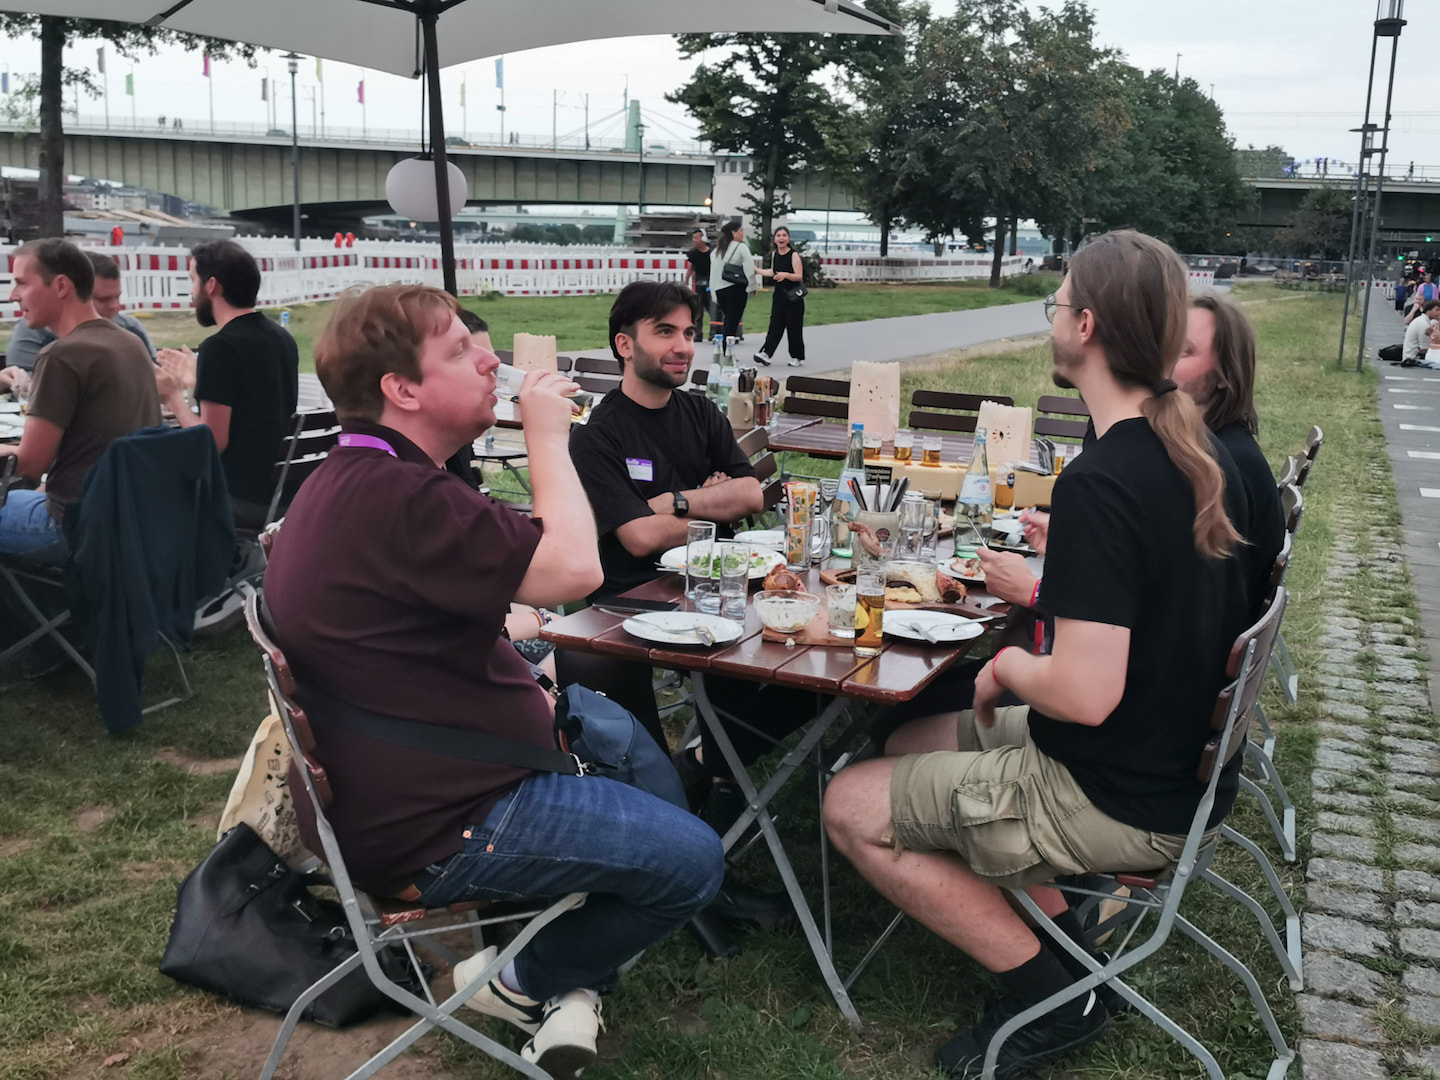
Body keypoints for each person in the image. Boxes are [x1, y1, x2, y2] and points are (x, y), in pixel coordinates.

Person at [822, 230, 1252, 1080]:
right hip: (1169, 764)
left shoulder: (1107, 478)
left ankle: (1054, 996)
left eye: (1055, 304)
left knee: (846, 803)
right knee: (907, 741)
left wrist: (1004, 669)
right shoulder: (1192, 455)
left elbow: (1084, 693)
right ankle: (1069, 950)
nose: (1051, 318)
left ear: (1085, 326)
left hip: (1116, 789)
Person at [263, 284, 723, 1076]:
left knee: (611, 737)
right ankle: (519, 982)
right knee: (694, 861)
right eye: (458, 351)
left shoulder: (358, 479)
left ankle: (568, 985)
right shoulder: (404, 496)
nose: (491, 359)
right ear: (401, 389)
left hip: (413, 791)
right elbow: (576, 568)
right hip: (447, 822)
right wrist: (549, 436)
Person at [0, 239, 159, 559]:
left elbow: (30, 464)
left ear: (60, 286)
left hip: (73, 525)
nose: (12, 295)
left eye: (21, 283)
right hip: (131, 518)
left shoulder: (62, 356)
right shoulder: (131, 343)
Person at [154, 240, 299, 529]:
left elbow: (213, 442)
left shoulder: (220, 347)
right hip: (282, 495)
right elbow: (254, 404)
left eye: (192, 280)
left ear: (211, 286)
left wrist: (173, 400)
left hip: (240, 497)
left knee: (149, 484)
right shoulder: (280, 338)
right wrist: (200, 381)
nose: (192, 292)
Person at [1173, 292, 1286, 615]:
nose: (1163, 362)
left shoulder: (1222, 465)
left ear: (1224, 374)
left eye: (1183, 351)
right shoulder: (1219, 446)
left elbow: (1187, 601)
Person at [4, 252, 157, 373]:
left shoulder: (130, 329)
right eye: (103, 299)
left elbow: (156, 378)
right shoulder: (36, 329)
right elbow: (23, 385)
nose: (115, 306)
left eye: (117, 297)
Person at [753, 226, 807, 369]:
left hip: (793, 296)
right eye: (778, 235)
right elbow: (773, 271)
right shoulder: (775, 254)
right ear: (775, 239)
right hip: (779, 296)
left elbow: (799, 276)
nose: (781, 238)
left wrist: (786, 275)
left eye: (784, 235)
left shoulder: (794, 255)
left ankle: (797, 356)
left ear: (788, 238)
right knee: (775, 326)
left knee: (794, 328)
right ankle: (766, 353)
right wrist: (758, 271)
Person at [709, 218, 758, 346]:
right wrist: (752, 287)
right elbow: (749, 268)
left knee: (728, 320)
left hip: (720, 291)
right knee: (732, 322)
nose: (742, 233)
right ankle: (726, 352)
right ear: (734, 233)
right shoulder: (741, 247)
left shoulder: (717, 250)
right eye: (741, 231)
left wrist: (714, 292)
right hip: (736, 289)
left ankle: (725, 350)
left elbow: (713, 273)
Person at [683, 227, 713, 340]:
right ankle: (698, 333)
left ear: (703, 238)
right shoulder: (693, 253)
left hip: (710, 281)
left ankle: (714, 332)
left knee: (712, 308)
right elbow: (691, 267)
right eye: (693, 238)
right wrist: (687, 280)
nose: (694, 240)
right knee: (698, 310)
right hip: (699, 281)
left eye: (696, 237)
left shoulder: (712, 252)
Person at [1403, 299, 1439, 367]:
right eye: (1436, 310)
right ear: (1428, 311)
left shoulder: (1422, 320)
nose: (1439, 313)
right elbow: (1424, 349)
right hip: (1413, 359)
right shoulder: (1423, 324)